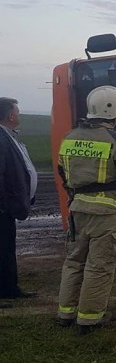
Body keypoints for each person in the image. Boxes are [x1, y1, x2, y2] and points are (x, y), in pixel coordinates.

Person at [56, 85, 116, 333]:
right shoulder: (115, 139)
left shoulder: (70, 137)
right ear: (111, 110)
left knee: (73, 262)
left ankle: (66, 314)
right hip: (106, 213)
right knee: (99, 265)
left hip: (78, 209)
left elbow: (62, 172)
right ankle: (89, 318)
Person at [0, 97, 38, 306]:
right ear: (10, 115)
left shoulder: (8, 136)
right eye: (17, 111)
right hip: (2, 208)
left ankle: (9, 288)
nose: (19, 114)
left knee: (6, 248)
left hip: (7, 208)